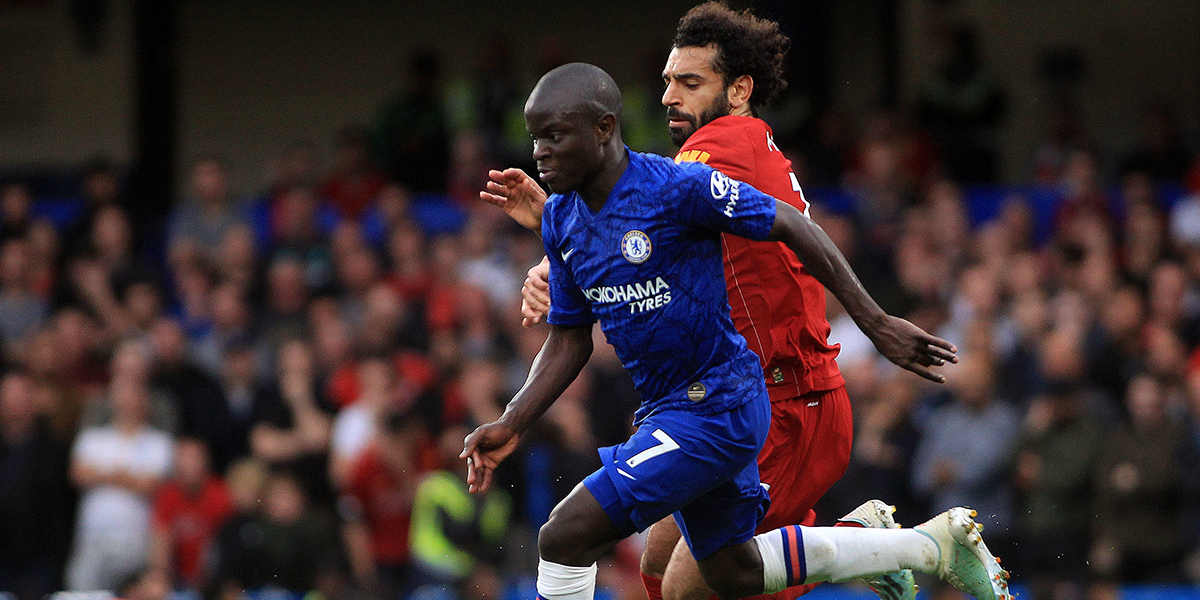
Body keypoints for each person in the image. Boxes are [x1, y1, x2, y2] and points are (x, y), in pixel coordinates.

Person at [462, 62, 1010, 600]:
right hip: (671, 409)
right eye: (536, 139)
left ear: (604, 128)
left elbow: (792, 224)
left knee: (566, 534)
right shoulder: (562, 217)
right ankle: (927, 548)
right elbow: (568, 338)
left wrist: (876, 322)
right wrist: (514, 420)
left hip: (721, 405)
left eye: (555, 136)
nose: (540, 152)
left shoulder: (677, 183)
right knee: (732, 572)